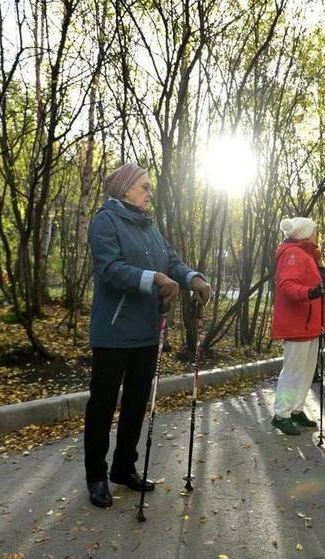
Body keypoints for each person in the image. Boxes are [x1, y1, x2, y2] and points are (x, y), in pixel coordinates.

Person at [86, 163, 212, 508]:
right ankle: (96, 476)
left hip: (145, 331)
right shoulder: (105, 220)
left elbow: (171, 261)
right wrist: (153, 278)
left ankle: (123, 468)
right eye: (144, 186)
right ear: (125, 189)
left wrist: (193, 279)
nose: (149, 192)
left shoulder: (149, 225)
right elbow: (109, 269)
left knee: (136, 404)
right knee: (102, 405)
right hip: (113, 331)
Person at [270, 217, 325, 435]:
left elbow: (316, 288)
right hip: (298, 323)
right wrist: (309, 293)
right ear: (304, 233)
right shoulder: (293, 254)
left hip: (311, 322)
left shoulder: (308, 255)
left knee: (307, 370)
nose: (317, 234)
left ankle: (296, 410)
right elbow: (287, 287)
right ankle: (281, 414)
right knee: (293, 371)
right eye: (314, 231)